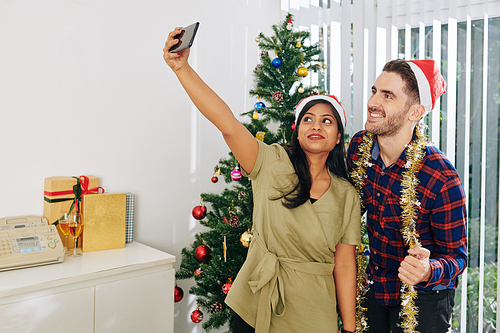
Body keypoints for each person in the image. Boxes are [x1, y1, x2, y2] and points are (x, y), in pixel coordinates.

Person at [164, 27, 361, 333]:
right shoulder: (270, 161)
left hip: (314, 308)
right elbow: (227, 123)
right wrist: (182, 68)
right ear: (296, 130)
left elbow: (346, 264)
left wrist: (349, 328)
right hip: (259, 295)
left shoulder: (347, 193)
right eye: (307, 119)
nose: (316, 126)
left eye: (327, 121)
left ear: (338, 137)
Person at [346, 59, 468, 332]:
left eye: (387, 96)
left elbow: (458, 258)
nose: (373, 102)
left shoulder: (440, 176)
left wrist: (427, 270)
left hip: (423, 298)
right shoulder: (358, 148)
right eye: (375, 91)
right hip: (376, 288)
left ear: (416, 112)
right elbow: (349, 208)